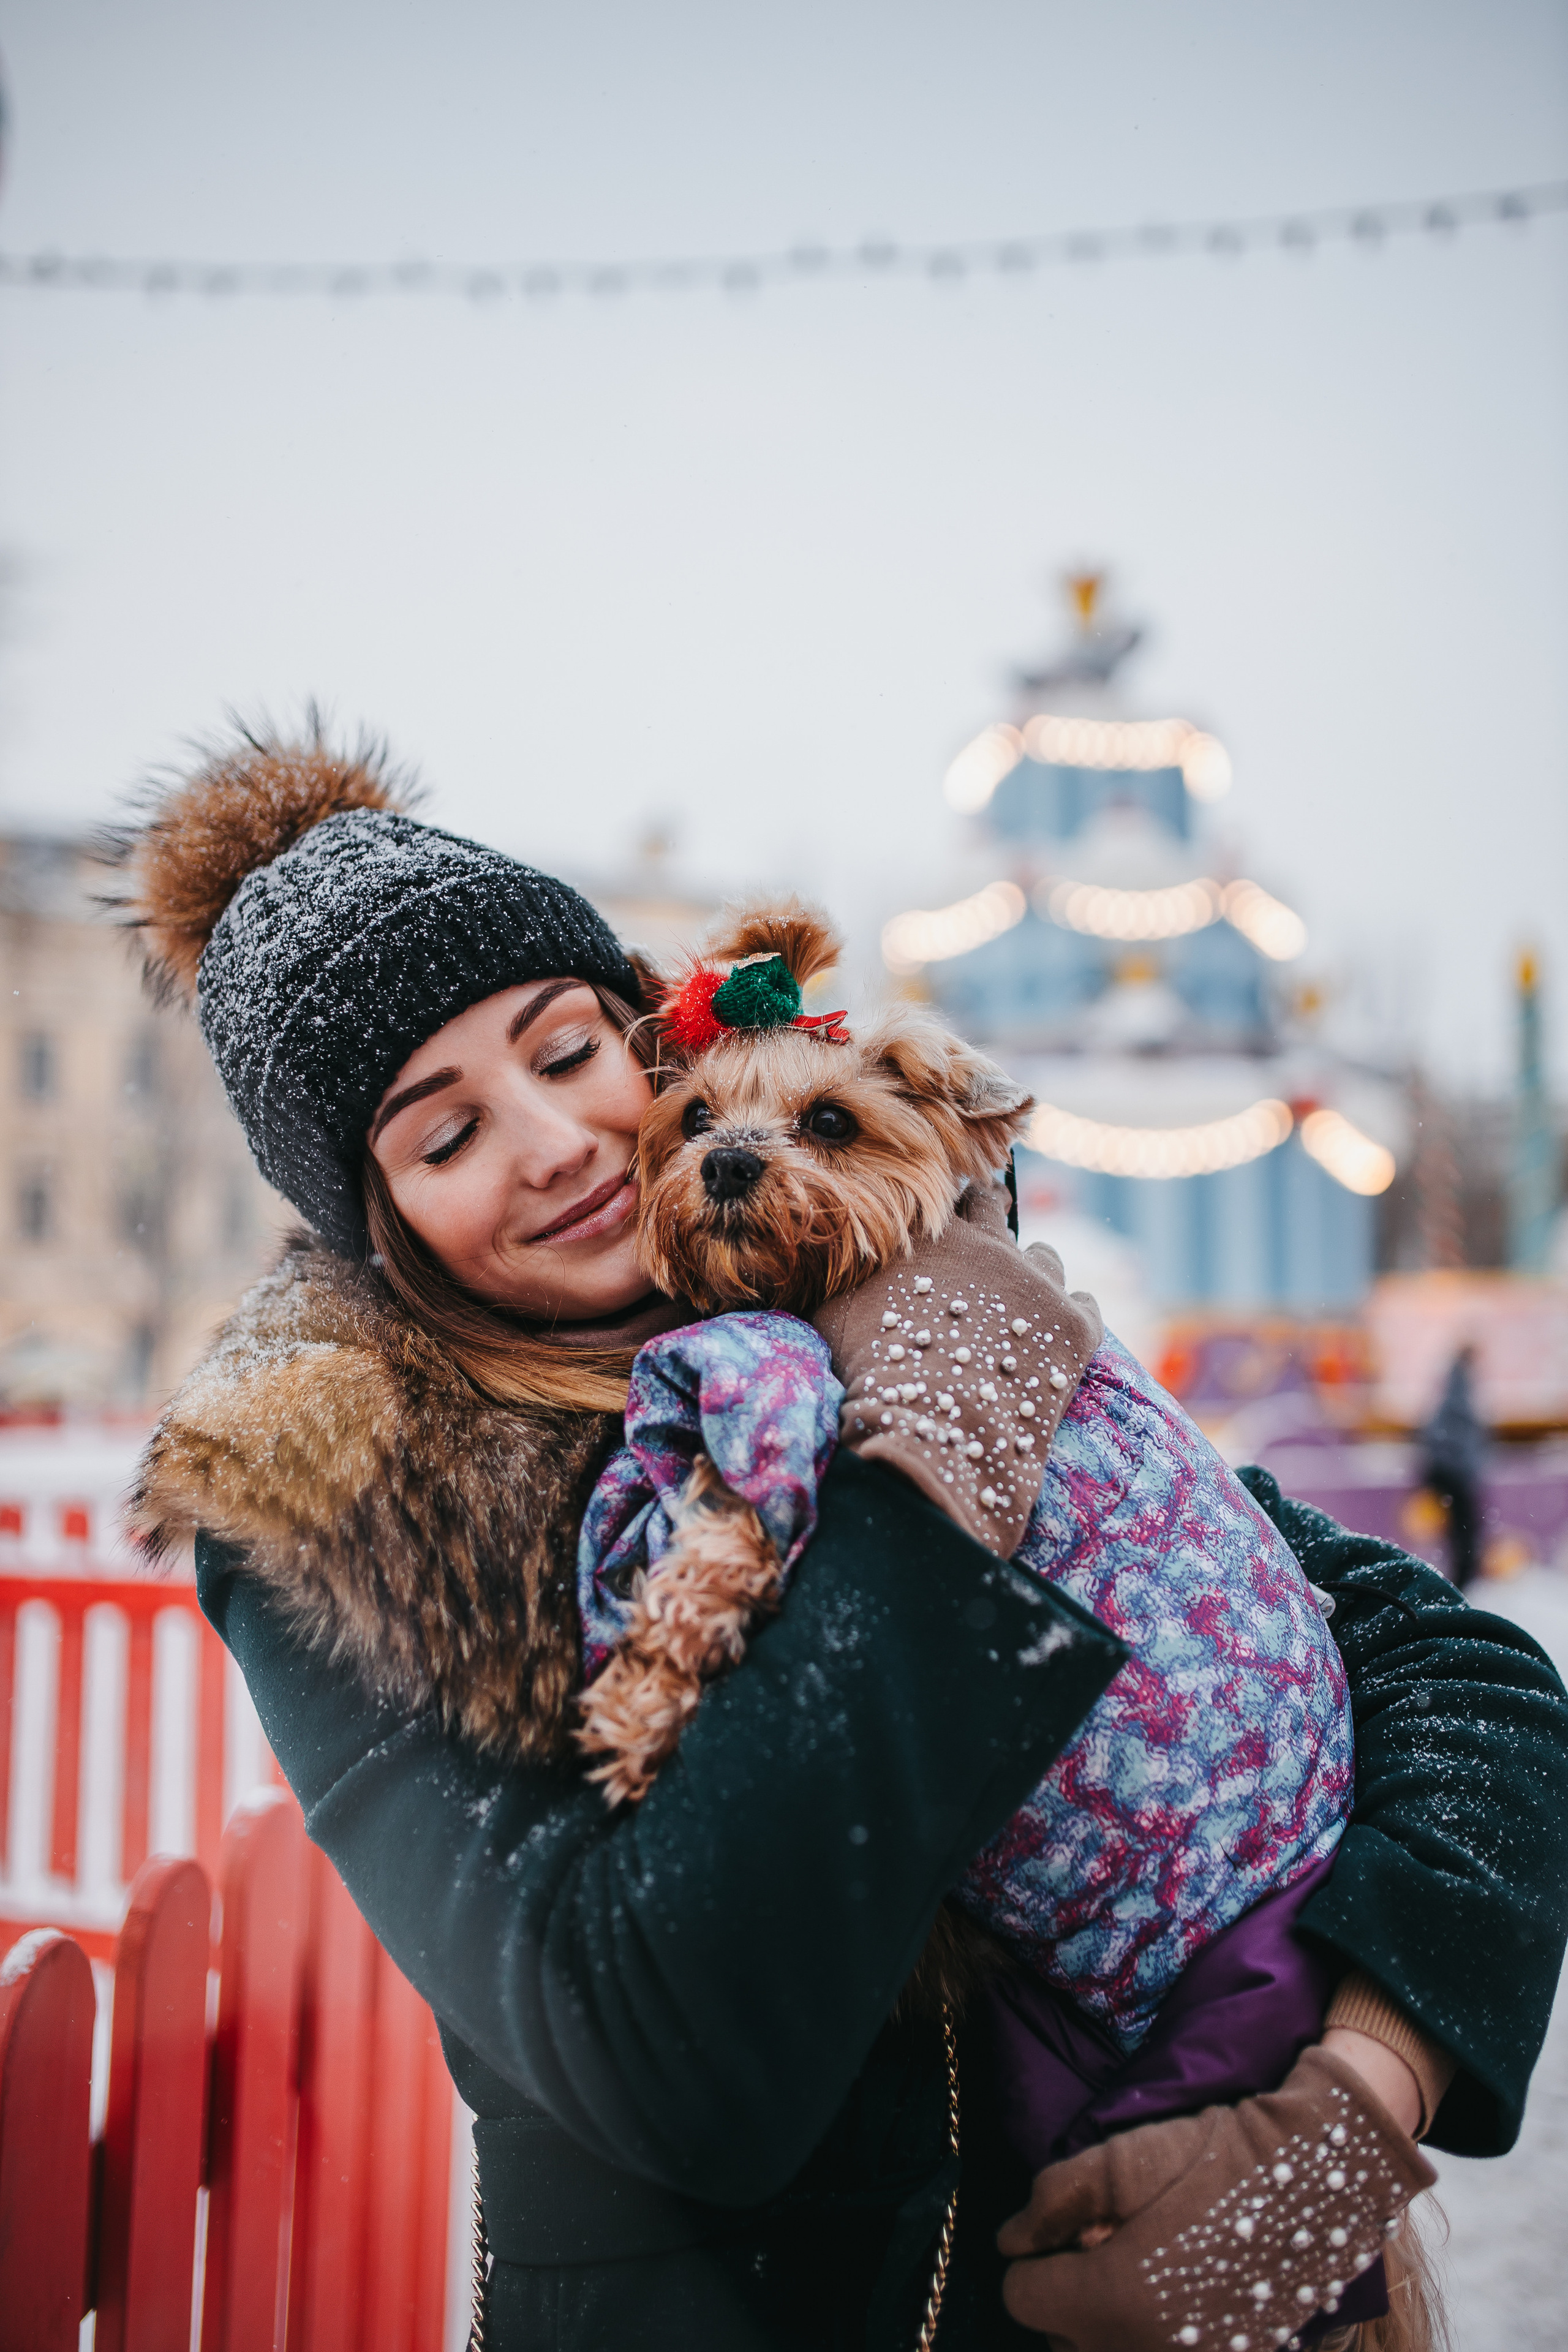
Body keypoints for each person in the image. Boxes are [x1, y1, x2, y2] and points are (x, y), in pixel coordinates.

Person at [118, 728, 1568, 2351]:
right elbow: (671, 2066)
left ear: (648, 1040)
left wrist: (1362, 2081)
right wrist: (924, 1473)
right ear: (376, 1223)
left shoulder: (903, 1298)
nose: (554, 1143)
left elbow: (1451, 1668)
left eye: (569, 1050)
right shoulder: (349, 1524)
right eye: (444, 1136)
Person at [1417, 1344, 1486, 1591]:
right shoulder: (1460, 1392)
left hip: (1453, 1474)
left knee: (1461, 1534)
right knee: (1464, 1534)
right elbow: (1454, 1436)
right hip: (1456, 1475)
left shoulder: (1454, 1389)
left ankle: (1462, 1581)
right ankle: (1462, 1583)